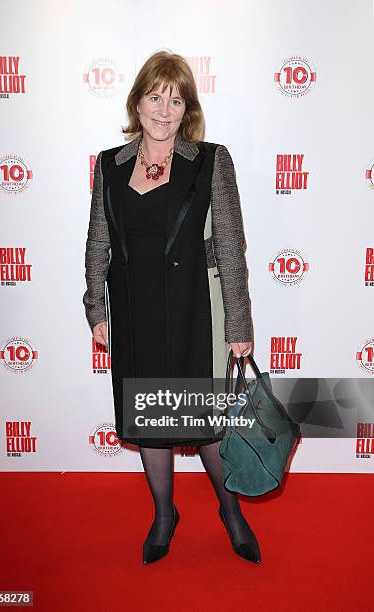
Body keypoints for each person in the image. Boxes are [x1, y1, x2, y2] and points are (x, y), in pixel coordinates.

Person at [83, 50, 260, 565]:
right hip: (134, 314)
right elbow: (99, 243)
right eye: (155, 97)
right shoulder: (110, 166)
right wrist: (97, 309)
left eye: (176, 99)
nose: (164, 109)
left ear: (188, 109)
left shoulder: (210, 160)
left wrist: (239, 323)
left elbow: (231, 247)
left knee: (203, 425)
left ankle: (231, 513)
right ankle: (165, 514)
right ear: (137, 101)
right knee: (149, 423)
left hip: (191, 313)